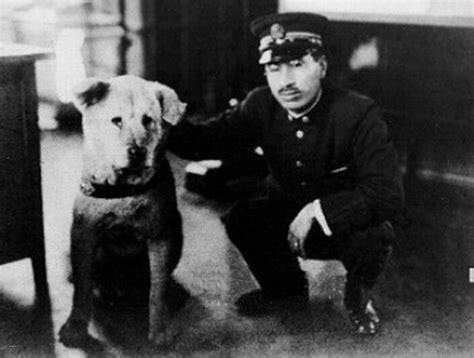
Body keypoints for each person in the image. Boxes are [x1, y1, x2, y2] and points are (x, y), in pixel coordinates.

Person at [168, 12, 404, 335]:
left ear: (321, 66)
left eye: (297, 65)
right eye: (273, 68)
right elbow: (207, 140)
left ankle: (357, 300)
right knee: (243, 219)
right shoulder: (260, 104)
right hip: (287, 213)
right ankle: (287, 291)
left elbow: (387, 194)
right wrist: (158, 117)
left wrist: (317, 210)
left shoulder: (357, 113)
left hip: (342, 224)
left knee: (374, 236)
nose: (285, 81)